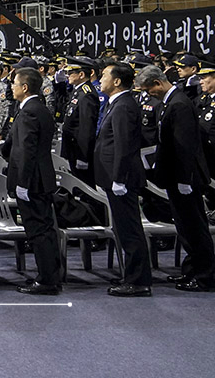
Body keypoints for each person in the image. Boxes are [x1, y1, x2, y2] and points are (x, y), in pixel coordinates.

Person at [136, 65, 213, 291]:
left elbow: (185, 146)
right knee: (184, 227)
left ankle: (205, 275)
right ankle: (191, 270)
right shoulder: (171, 101)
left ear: (158, 83)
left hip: (185, 177)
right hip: (175, 176)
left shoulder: (179, 104)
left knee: (195, 227)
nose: (148, 94)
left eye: (149, 90)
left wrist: (185, 179)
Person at [95, 61, 152, 296]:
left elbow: (124, 145)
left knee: (130, 230)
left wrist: (119, 178)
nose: (100, 80)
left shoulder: (124, 106)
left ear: (117, 81)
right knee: (123, 228)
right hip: (115, 178)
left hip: (123, 179)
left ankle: (138, 281)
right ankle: (131, 274)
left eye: (105, 76)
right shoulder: (115, 103)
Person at [7, 67, 62, 295]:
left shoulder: (30, 111)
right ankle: (50, 276)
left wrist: (22, 183)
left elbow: (26, 151)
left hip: (32, 181)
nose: (12, 87)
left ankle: (47, 280)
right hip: (40, 178)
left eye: (15, 84)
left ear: (25, 87)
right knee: (44, 230)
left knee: (39, 231)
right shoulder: (39, 108)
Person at [60, 57, 99, 181]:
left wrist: (83, 156)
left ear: (81, 74)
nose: (67, 76)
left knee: (84, 186)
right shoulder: (78, 91)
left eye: (70, 73)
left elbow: (87, 127)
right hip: (72, 148)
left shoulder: (87, 94)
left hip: (79, 150)